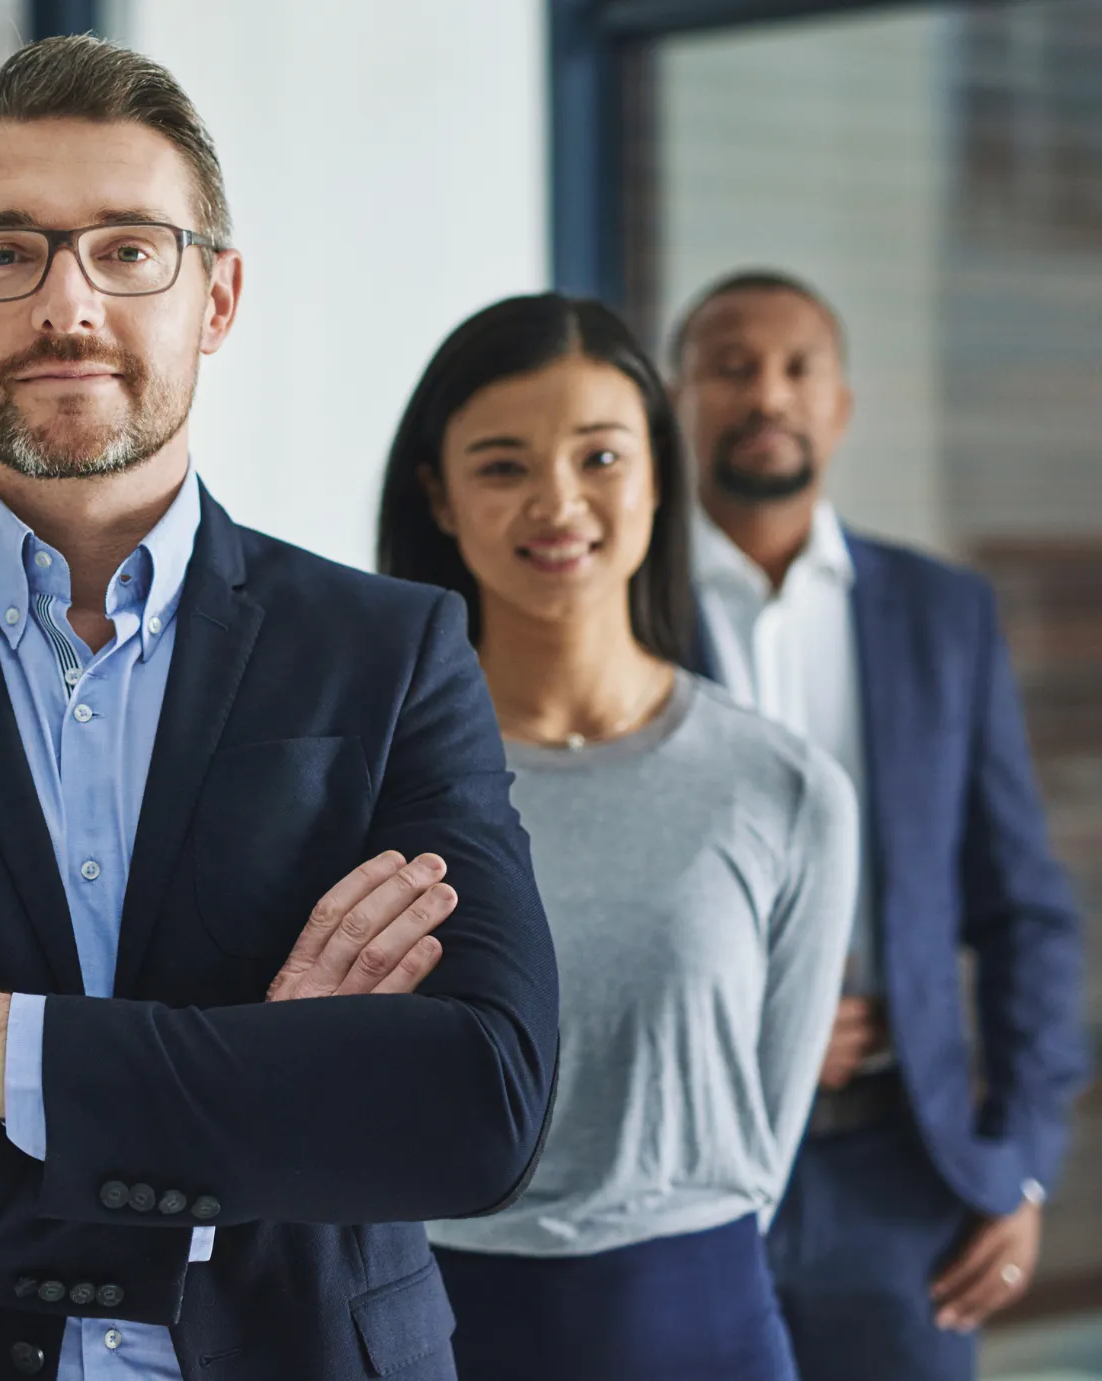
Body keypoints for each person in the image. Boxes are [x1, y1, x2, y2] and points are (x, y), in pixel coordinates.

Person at [0, 35, 559, 1381]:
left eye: (129, 249)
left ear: (217, 295)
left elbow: (476, 1106)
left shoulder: (389, 651)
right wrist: (259, 1099)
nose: (68, 305)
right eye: (4, 252)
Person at [374, 293, 858, 1379]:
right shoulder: (366, 782)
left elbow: (763, 1140)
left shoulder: (784, 787)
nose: (559, 502)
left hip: (701, 1325)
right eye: (503, 466)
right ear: (439, 497)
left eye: (600, 456)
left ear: (657, 475)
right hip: (423, 1327)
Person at [670, 269, 1089, 1380]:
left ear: (840, 405)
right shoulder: (624, 611)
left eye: (797, 368)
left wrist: (1022, 1163)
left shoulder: (943, 615)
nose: (767, 393)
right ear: (677, 400)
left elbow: (1024, 908)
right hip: (681, 1172)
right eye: (730, 366)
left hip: (903, 1179)